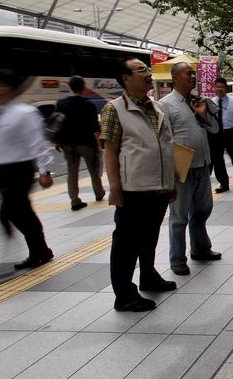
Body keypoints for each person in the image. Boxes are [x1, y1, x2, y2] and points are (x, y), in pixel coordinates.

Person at [100, 58, 177, 312]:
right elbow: (110, 152)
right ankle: (124, 294)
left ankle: (148, 276)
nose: (148, 73)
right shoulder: (114, 109)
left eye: (147, 69)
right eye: (141, 70)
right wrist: (114, 187)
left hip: (158, 186)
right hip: (133, 188)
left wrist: (171, 181)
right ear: (126, 78)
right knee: (125, 243)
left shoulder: (156, 107)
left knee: (149, 237)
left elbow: (165, 146)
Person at [0, 69, 55, 269]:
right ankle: (41, 250)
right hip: (2, 170)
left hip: (21, 169)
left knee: (12, 211)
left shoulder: (26, 113)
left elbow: (38, 144)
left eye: (1, 85)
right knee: (18, 212)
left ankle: (38, 251)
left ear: (13, 89)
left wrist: (44, 171)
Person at [159, 62, 222, 276]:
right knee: (179, 217)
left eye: (194, 73)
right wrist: (170, 169)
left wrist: (203, 113)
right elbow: (164, 139)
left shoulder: (198, 101)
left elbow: (214, 128)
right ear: (175, 78)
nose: (193, 77)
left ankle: (201, 248)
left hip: (203, 165)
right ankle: (177, 259)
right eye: (188, 73)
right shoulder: (165, 105)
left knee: (203, 210)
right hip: (181, 168)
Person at [54, 75, 105, 211]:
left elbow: (57, 124)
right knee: (93, 169)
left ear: (70, 87)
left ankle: (74, 200)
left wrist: (57, 141)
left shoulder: (61, 103)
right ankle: (99, 193)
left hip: (68, 143)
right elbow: (95, 127)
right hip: (86, 142)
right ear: (83, 87)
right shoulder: (88, 104)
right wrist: (99, 145)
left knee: (72, 171)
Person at [209, 77, 233, 192]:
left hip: (230, 132)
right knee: (217, 160)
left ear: (226, 88)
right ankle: (224, 184)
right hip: (216, 134)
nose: (220, 89)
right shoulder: (210, 102)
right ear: (214, 88)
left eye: (222, 87)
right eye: (217, 87)